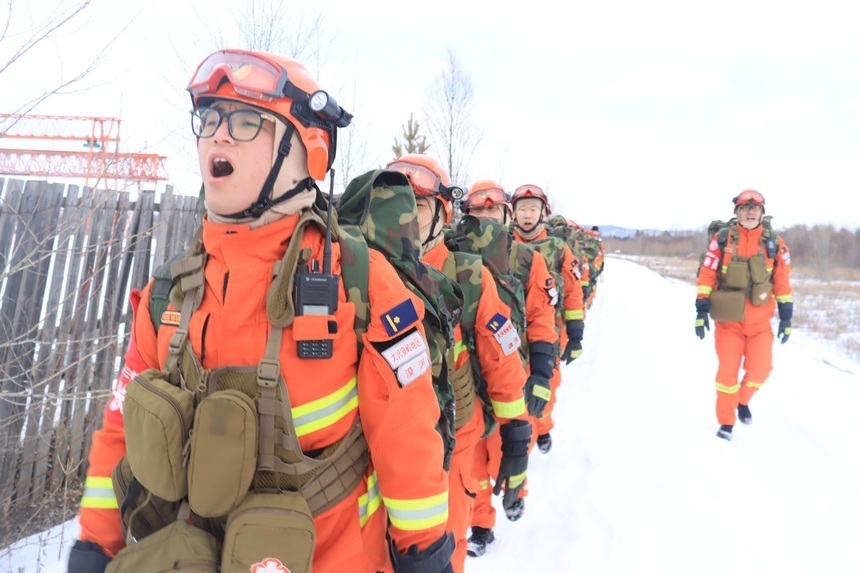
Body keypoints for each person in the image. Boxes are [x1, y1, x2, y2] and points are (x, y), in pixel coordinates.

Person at [68, 49, 453, 573]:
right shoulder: (169, 294)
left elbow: (408, 439)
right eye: (209, 118)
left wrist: (424, 554)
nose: (218, 135)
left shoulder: (361, 284)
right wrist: (95, 542)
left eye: (247, 121)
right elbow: (121, 431)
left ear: (307, 151)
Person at [387, 155, 531, 573]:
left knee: (444, 548)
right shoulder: (358, 272)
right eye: (393, 202)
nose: (402, 216)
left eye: (416, 205)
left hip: (452, 446)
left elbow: (502, 360)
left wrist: (516, 437)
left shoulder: (469, 276)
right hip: (381, 447)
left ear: (442, 215)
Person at [456, 180, 559, 557]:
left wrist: (542, 373)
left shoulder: (528, 261)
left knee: (510, 449)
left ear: (506, 214)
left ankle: (516, 491)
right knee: (470, 461)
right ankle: (481, 525)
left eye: (492, 211)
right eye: (476, 212)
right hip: (465, 378)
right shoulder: (450, 256)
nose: (484, 219)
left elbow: (541, 318)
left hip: (512, 375)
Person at [695, 189, 793, 441]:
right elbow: (707, 273)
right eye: (744, 208)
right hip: (729, 322)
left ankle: (742, 401)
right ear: (737, 212)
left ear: (762, 212)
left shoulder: (775, 243)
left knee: (761, 370)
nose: (750, 212)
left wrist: (786, 316)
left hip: (760, 323)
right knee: (727, 376)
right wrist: (701, 307)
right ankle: (726, 423)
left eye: (755, 208)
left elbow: (782, 281)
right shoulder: (722, 240)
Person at [511, 184, 585, 453]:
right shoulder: (502, 245)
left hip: (549, 333)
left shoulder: (558, 248)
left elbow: (574, 291)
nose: (527, 215)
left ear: (543, 213)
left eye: (532, 209)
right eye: (522, 209)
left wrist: (575, 334)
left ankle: (543, 428)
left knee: (546, 389)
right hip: (511, 336)